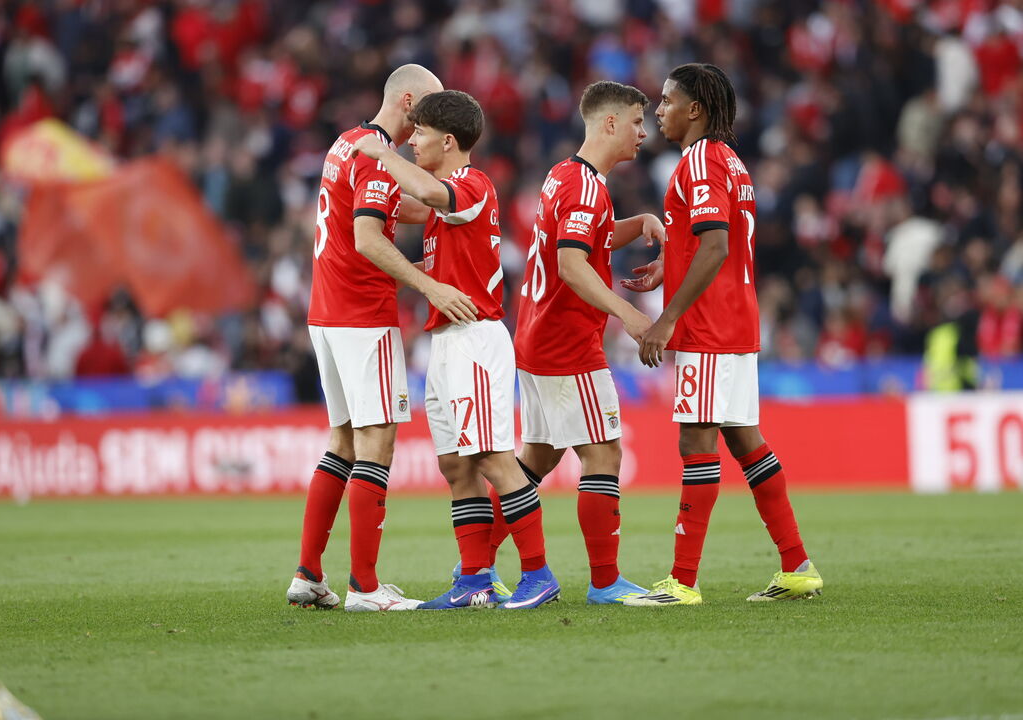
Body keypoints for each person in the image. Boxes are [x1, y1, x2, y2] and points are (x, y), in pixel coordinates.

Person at [622, 63, 823, 605]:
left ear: (696, 109)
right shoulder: (731, 161)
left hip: (709, 327)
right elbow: (710, 241)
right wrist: (673, 261)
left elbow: (716, 245)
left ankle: (682, 582)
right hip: (737, 319)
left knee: (696, 442)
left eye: (666, 101)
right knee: (744, 440)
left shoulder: (702, 159)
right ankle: (797, 565)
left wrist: (666, 318)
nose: (657, 110)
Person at [353, 90, 560, 610]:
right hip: (444, 338)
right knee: (456, 467)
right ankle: (475, 579)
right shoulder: (443, 195)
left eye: (419, 133)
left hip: (476, 338)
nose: (412, 140)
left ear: (448, 140)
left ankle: (539, 574)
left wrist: (381, 153)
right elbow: (402, 203)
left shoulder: (472, 184)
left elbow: (423, 189)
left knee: (492, 457)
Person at [286, 64, 476, 612]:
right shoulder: (378, 152)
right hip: (362, 315)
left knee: (342, 441)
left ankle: (307, 574)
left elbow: (395, 205)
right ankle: (365, 589)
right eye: (430, 109)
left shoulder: (347, 143)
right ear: (409, 101)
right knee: (377, 442)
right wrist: (430, 286)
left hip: (325, 312)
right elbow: (369, 239)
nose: (433, 124)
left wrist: (452, 210)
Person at [480, 81, 663, 605]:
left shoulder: (564, 176)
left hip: (536, 339)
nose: (642, 132)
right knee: (604, 452)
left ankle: (476, 565)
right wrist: (629, 314)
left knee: (535, 460)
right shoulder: (588, 188)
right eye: (635, 121)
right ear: (609, 123)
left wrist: (638, 223)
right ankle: (605, 581)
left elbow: (583, 240)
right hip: (568, 344)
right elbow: (572, 262)